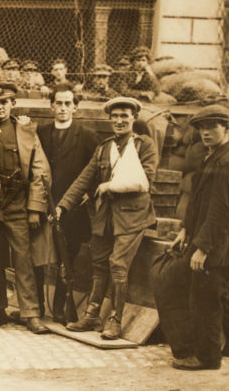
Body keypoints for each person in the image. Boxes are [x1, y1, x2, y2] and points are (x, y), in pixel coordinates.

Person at [57, 96, 158, 340]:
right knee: (99, 264)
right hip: (105, 217)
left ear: (134, 118)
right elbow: (83, 178)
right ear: (110, 119)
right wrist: (63, 206)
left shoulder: (144, 145)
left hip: (132, 218)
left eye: (125, 116)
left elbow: (145, 181)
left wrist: (110, 186)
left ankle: (115, 319)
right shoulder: (104, 147)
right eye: (115, 116)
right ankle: (91, 315)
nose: (120, 121)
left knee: (118, 266)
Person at [160, 105, 229, 370]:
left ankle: (207, 357)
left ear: (226, 128)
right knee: (215, 295)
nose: (206, 132)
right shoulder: (211, 156)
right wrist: (184, 230)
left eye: (212, 126)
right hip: (208, 239)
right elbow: (197, 200)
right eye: (202, 127)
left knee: (204, 299)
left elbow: (220, 212)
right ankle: (218, 348)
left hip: (215, 244)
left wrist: (202, 248)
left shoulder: (226, 161)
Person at [0, 82, 52, 334]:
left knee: (23, 259)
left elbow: (40, 170)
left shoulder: (26, 131)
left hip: (17, 202)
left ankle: (30, 313)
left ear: (12, 104)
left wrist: (34, 208)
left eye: (4, 102)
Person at [37, 84, 100, 324]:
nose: (63, 108)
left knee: (67, 256)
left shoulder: (87, 136)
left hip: (73, 209)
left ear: (75, 106)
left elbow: (99, 168)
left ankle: (61, 306)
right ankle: (38, 306)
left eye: (67, 103)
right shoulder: (41, 133)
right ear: (51, 105)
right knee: (41, 256)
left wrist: (90, 193)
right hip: (45, 204)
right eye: (58, 103)